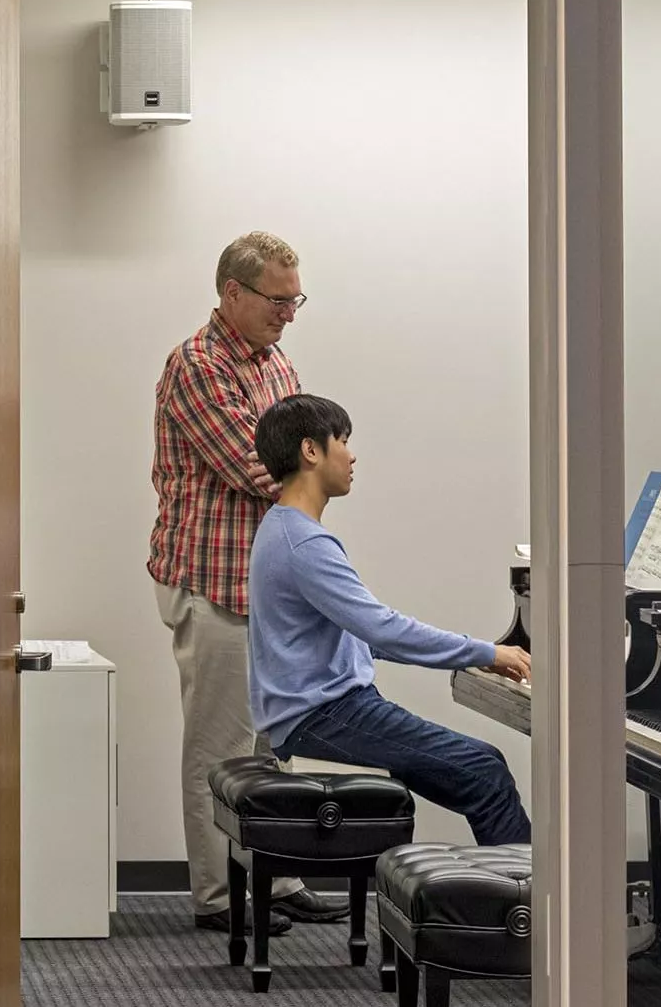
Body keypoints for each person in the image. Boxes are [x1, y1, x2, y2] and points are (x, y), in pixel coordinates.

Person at [149, 231, 339, 933]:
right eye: (278, 299)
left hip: (265, 592)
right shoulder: (198, 365)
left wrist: (308, 470)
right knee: (218, 748)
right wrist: (314, 470)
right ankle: (220, 897)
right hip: (213, 584)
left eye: (297, 300)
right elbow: (260, 470)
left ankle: (276, 876)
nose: (289, 312)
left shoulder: (274, 363)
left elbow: (300, 462)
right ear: (233, 292)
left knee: (272, 745)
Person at [245, 393, 532, 845]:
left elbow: (362, 636)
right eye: (343, 440)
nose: (352, 454)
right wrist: (484, 652)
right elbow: (384, 629)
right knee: (485, 771)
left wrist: (474, 654)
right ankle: (532, 910)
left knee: (483, 767)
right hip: (324, 717)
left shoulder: (280, 529)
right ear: (311, 450)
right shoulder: (304, 544)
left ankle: (519, 903)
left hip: (321, 713)